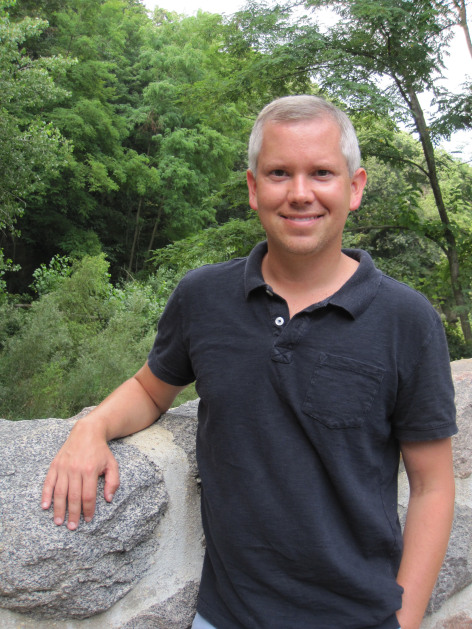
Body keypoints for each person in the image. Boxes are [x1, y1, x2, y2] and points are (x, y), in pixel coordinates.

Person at [41, 95, 457, 629]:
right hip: (226, 617)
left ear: (355, 187)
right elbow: (151, 390)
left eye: (322, 173)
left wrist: (406, 620)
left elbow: (432, 486)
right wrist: (91, 426)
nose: (300, 193)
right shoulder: (203, 297)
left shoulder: (406, 319)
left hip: (360, 616)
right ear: (254, 188)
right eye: (279, 173)